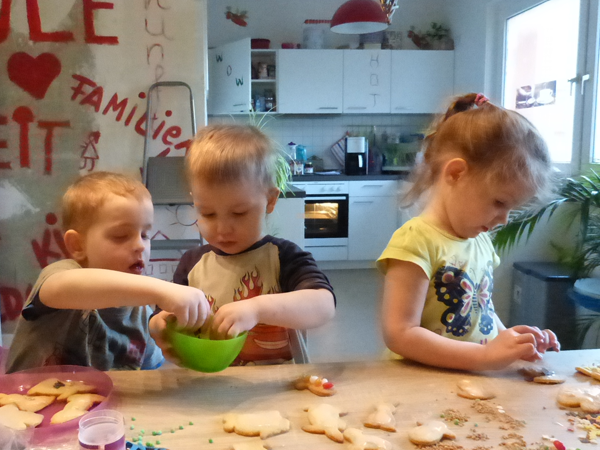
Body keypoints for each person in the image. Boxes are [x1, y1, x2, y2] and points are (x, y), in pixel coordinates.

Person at [377, 93, 560, 371]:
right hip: (420, 384)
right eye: (499, 202)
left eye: (512, 208)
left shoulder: (480, 240)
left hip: (465, 380)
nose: (504, 219)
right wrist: (484, 356)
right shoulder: (416, 240)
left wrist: (512, 342)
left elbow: (481, 312)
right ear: (456, 174)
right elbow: (400, 333)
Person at [150, 124, 336, 365]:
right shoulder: (192, 263)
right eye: (208, 213)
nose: (222, 228)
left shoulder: (283, 257)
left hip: (275, 383)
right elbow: (162, 314)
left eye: (239, 213)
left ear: (270, 200)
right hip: (206, 382)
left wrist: (257, 309)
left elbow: (324, 305)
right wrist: (159, 325)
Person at [6, 172, 210, 373]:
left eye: (145, 235)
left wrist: (174, 346)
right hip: (26, 394)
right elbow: (60, 288)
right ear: (77, 245)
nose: (140, 245)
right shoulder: (64, 273)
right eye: (121, 235)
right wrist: (161, 290)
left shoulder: (142, 314)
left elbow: (150, 375)